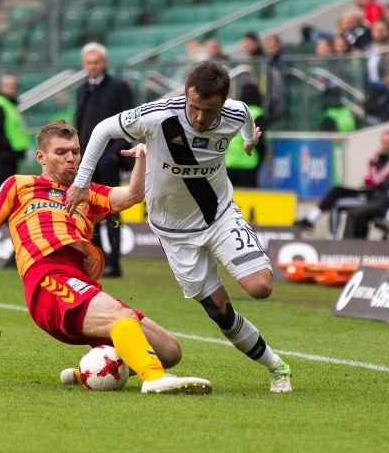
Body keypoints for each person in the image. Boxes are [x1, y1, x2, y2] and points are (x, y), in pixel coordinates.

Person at [0, 121, 212, 395]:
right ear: (41, 157)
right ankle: (153, 378)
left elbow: (132, 196)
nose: (71, 158)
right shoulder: (19, 186)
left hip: (80, 283)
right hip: (46, 279)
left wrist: (144, 156)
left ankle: (88, 372)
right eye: (61, 152)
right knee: (123, 320)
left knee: (170, 350)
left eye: (76, 151)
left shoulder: (86, 193)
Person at [65, 61, 293, 393]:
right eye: (194, 107)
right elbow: (101, 130)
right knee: (220, 313)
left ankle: (278, 369)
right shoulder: (160, 115)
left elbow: (246, 123)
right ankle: (276, 364)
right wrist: (82, 182)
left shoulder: (236, 112)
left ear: (223, 103)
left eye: (209, 110)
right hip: (173, 232)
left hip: (219, 216)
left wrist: (248, 143)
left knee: (261, 287)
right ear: (186, 94)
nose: (199, 118)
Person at [74, 43, 134, 278]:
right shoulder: (82, 90)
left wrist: (113, 154)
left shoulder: (119, 88)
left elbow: (129, 123)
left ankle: (114, 261)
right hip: (86, 161)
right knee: (88, 211)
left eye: (96, 62)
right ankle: (95, 258)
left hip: (108, 160)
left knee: (112, 211)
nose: (92, 66)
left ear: (105, 63)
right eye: (89, 63)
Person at [296, 130, 389, 238]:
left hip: (383, 197)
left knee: (354, 213)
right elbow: (370, 180)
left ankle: (349, 247)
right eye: (383, 143)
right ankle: (311, 219)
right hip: (370, 192)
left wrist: (373, 163)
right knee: (336, 190)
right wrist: (372, 162)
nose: (386, 146)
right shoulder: (379, 159)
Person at [0, 74, 30, 193]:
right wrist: (8, 145)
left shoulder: (10, 104)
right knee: (4, 186)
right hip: (5, 154)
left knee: (11, 186)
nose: (12, 89)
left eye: (14, 86)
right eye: (9, 86)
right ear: (1, 87)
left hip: (12, 153)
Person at [225, 83, 266, 188]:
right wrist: (261, 157)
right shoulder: (257, 113)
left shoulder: (235, 110)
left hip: (230, 162)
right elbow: (259, 140)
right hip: (249, 163)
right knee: (248, 198)